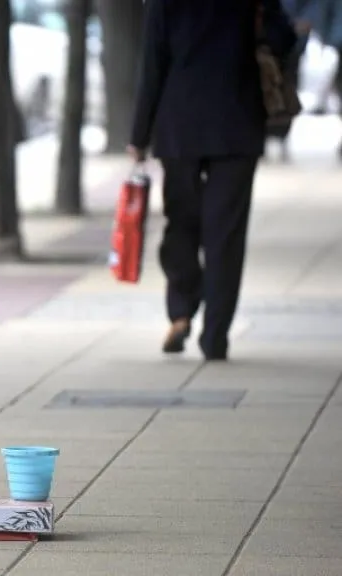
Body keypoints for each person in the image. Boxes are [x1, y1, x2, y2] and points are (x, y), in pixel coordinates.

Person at [128, 0, 297, 361]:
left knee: (181, 223)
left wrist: (138, 135)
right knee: (226, 235)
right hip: (236, 120)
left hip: (180, 124)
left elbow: (153, 63)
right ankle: (215, 335)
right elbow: (284, 39)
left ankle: (181, 311)